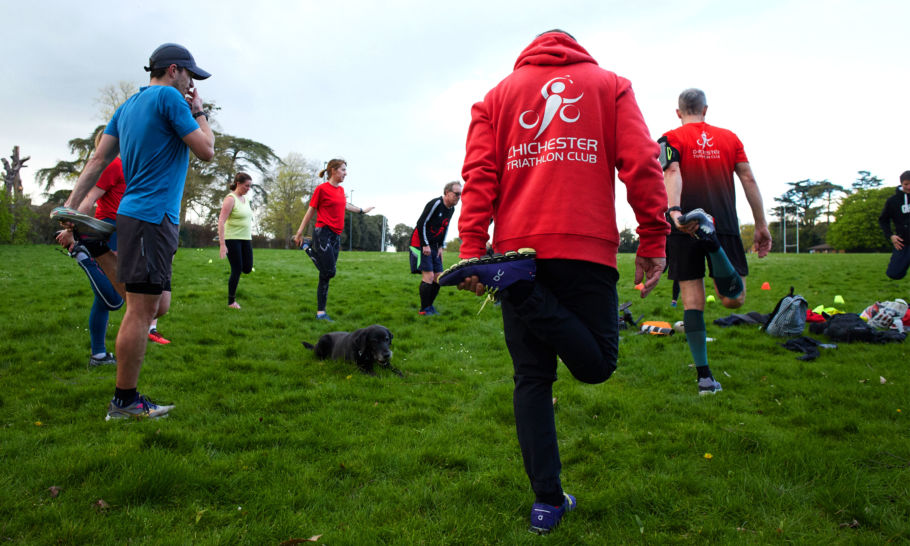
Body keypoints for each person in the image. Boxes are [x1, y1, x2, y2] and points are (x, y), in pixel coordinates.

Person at [451, 30, 669, 534]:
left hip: (516, 250)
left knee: (532, 379)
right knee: (597, 366)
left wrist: (471, 248)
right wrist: (653, 239)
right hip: (586, 248)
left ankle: (547, 503)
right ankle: (548, 500)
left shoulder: (496, 96)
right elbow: (642, 163)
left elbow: (479, 173)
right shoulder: (610, 85)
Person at [63, 43, 215, 420]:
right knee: (140, 312)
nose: (191, 84)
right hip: (152, 218)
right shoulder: (170, 98)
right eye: (190, 76)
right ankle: (125, 401)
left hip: (137, 216)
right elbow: (207, 150)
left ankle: (95, 245)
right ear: (175, 70)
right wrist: (199, 112)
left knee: (157, 304)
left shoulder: (128, 106)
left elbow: (98, 159)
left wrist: (70, 205)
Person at [659, 88, 772, 395]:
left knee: (692, 302)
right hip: (722, 223)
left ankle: (705, 378)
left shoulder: (668, 137)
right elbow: (748, 178)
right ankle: (714, 245)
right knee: (733, 299)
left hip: (683, 226)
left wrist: (675, 212)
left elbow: (671, 171)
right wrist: (761, 224)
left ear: (679, 112)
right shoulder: (730, 138)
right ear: (705, 109)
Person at [292, 159, 374, 321]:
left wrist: (361, 211)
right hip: (323, 233)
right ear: (333, 170)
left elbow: (344, 205)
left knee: (325, 275)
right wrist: (299, 233)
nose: (345, 173)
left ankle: (321, 313)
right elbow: (310, 211)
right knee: (330, 271)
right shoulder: (321, 189)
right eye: (343, 170)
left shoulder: (340, 190)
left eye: (345, 170)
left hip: (336, 235)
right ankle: (307, 247)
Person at [409, 181, 462, 315]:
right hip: (420, 243)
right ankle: (424, 310)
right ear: (447, 193)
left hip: (434, 245)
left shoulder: (451, 209)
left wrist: (440, 246)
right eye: (456, 194)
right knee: (429, 276)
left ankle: (430, 307)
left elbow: (445, 227)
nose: (458, 197)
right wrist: (425, 244)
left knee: (439, 277)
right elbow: (421, 223)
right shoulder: (436, 204)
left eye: (460, 194)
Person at [218, 172, 255, 309]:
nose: (248, 189)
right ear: (238, 184)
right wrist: (222, 244)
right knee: (237, 269)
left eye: (250, 186)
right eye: (246, 186)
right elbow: (221, 221)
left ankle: (232, 300)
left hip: (246, 238)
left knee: (247, 268)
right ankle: (231, 302)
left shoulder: (246, 200)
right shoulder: (230, 199)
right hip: (232, 238)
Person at [878, 171, 910, 280]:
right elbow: (883, 220)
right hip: (903, 243)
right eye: (906, 184)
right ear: (901, 184)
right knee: (894, 274)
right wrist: (891, 236)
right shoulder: (893, 201)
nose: (909, 187)